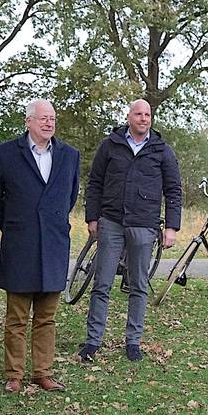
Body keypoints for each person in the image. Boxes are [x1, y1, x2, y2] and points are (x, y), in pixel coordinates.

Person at [0, 99, 79, 393]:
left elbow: (70, 197)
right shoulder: (5, 155)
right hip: (20, 243)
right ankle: (13, 373)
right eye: (43, 118)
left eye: (52, 118)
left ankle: (43, 372)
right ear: (28, 121)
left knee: (46, 316)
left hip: (54, 244)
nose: (49, 123)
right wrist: (13, 225)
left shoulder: (69, 156)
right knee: (16, 316)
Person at [81, 99, 181, 362]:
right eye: (138, 114)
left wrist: (171, 227)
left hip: (144, 225)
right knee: (101, 283)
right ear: (129, 117)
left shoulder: (161, 151)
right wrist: (92, 217)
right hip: (111, 222)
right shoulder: (110, 145)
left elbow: (173, 191)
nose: (143, 118)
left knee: (138, 285)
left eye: (147, 114)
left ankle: (133, 341)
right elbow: (95, 183)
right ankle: (93, 341)